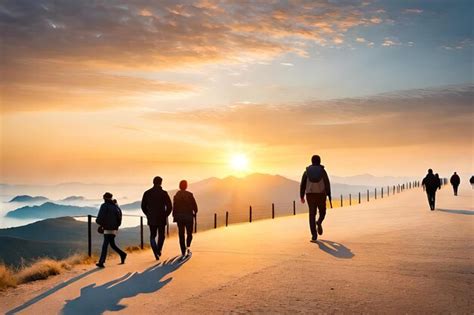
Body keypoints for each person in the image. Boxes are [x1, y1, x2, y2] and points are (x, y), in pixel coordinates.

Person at [300, 155, 331, 242]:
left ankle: (314, 235)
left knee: (311, 214)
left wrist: (302, 196)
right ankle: (319, 222)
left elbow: (302, 184)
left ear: (312, 161)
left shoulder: (306, 172)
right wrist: (329, 194)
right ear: (319, 161)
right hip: (321, 195)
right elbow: (327, 183)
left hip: (310, 195)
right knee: (323, 212)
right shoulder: (322, 171)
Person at [141, 176, 172, 260]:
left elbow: (143, 206)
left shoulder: (147, 193)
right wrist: (166, 214)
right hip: (162, 217)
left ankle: (155, 249)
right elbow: (169, 206)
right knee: (162, 235)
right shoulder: (164, 193)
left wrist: (148, 214)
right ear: (161, 183)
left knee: (153, 235)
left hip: (151, 218)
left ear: (153, 182)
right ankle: (158, 250)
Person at [95, 192, 127, 268]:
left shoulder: (104, 206)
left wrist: (99, 223)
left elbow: (100, 217)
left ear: (104, 198)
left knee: (105, 245)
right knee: (112, 244)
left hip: (107, 228)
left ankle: (101, 262)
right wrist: (116, 226)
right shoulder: (116, 206)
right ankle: (122, 254)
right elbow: (119, 218)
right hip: (114, 228)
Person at [173, 180, 198, 259]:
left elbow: (174, 207)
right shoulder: (190, 195)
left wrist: (174, 215)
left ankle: (183, 251)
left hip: (179, 217)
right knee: (189, 233)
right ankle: (188, 246)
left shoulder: (176, 196)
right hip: (189, 217)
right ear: (186, 186)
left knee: (181, 234)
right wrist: (194, 212)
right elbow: (195, 207)